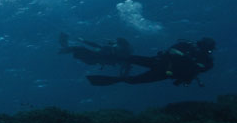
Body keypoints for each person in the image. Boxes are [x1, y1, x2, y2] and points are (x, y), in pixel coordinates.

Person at [65, 36, 217, 86]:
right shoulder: (186, 45)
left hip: (163, 71)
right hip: (159, 64)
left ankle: (102, 56)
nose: (203, 50)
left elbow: (202, 68)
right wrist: (188, 60)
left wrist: (188, 63)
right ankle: (99, 51)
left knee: (133, 79)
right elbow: (172, 51)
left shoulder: (207, 60)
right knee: (127, 59)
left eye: (206, 49)